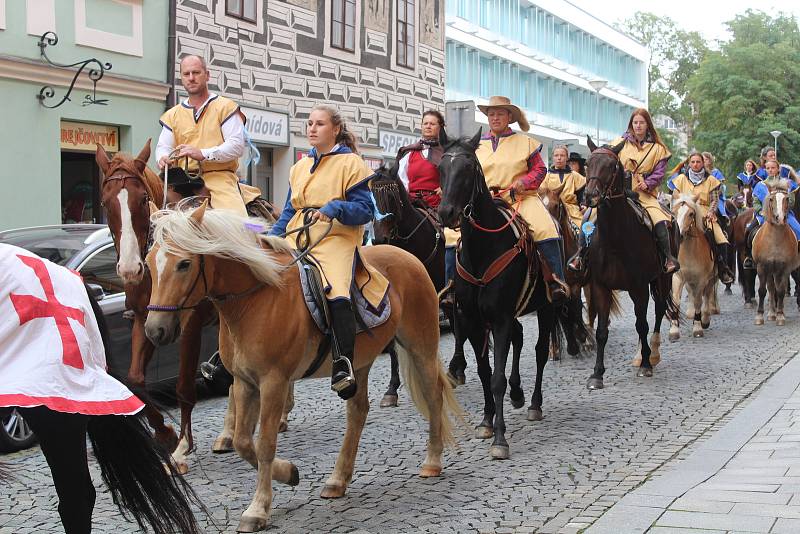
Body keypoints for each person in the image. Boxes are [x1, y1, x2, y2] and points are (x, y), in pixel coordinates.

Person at [269, 105, 387, 400]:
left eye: (319, 124)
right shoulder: (298, 167)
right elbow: (288, 212)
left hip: (336, 237)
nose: (312, 128)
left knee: (336, 289)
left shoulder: (352, 163)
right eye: (309, 123)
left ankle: (343, 362)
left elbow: (364, 211)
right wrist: (271, 239)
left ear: (335, 129)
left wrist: (335, 208)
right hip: (299, 233)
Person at [475, 95, 568, 304]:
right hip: (486, 201)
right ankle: (455, 288)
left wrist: (524, 182)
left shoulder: (525, 142)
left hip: (520, 199)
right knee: (454, 234)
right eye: (491, 114)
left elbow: (540, 169)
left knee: (546, 228)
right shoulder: (476, 145)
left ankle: (556, 281)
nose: (495, 118)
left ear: (510, 117)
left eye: (500, 113)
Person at [570, 108, 678, 275]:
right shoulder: (619, 142)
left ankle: (667, 257)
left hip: (645, 194)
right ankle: (581, 254)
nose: (638, 126)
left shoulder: (658, 149)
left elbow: (659, 172)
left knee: (659, 220)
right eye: (635, 122)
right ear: (631, 124)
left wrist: (648, 183)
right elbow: (606, 159)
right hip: (619, 191)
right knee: (588, 216)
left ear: (648, 124)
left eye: (642, 122)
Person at [156, 55, 260, 215]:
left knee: (238, 222)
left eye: (196, 72)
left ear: (207, 75)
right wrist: (162, 158)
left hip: (218, 178)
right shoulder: (172, 115)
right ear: (182, 78)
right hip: (179, 182)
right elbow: (163, 146)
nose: (191, 78)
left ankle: (252, 233)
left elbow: (237, 146)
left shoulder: (225, 107)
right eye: (186, 74)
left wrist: (202, 154)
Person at [394, 110, 459, 293]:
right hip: (413, 203)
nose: (428, 126)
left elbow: (455, 178)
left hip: (440, 205)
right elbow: (402, 180)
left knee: (454, 240)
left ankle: (451, 287)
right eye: (425, 123)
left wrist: (445, 189)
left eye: (432, 123)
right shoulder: (409, 152)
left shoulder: (448, 153)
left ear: (440, 127)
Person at [668, 152, 735, 284]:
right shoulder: (680, 179)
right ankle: (668, 261)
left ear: (703, 163)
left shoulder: (711, 180)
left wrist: (711, 211)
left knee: (720, 236)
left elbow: (715, 200)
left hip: (704, 211)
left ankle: (723, 267)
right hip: (684, 211)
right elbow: (675, 196)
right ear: (689, 164)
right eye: (692, 162)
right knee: (669, 231)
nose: (695, 164)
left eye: (698, 162)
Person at [743, 159, 800, 268]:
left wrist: (783, 210)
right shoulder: (760, 185)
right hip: (763, 215)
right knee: (748, 230)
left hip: (785, 214)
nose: (770, 170)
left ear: (778, 169)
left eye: (773, 168)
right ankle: (749, 257)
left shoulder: (787, 183)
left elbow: (792, 201)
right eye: (768, 168)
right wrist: (761, 211)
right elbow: (755, 202)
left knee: (799, 229)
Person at [541, 145, 587, 229]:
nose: (559, 158)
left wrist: (584, 204)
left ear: (567, 158)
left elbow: (584, 192)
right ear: (553, 158)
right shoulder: (546, 177)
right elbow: (542, 195)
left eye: (562, 155)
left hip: (572, 211)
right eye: (556, 155)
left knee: (584, 231)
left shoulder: (575, 176)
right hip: (551, 211)